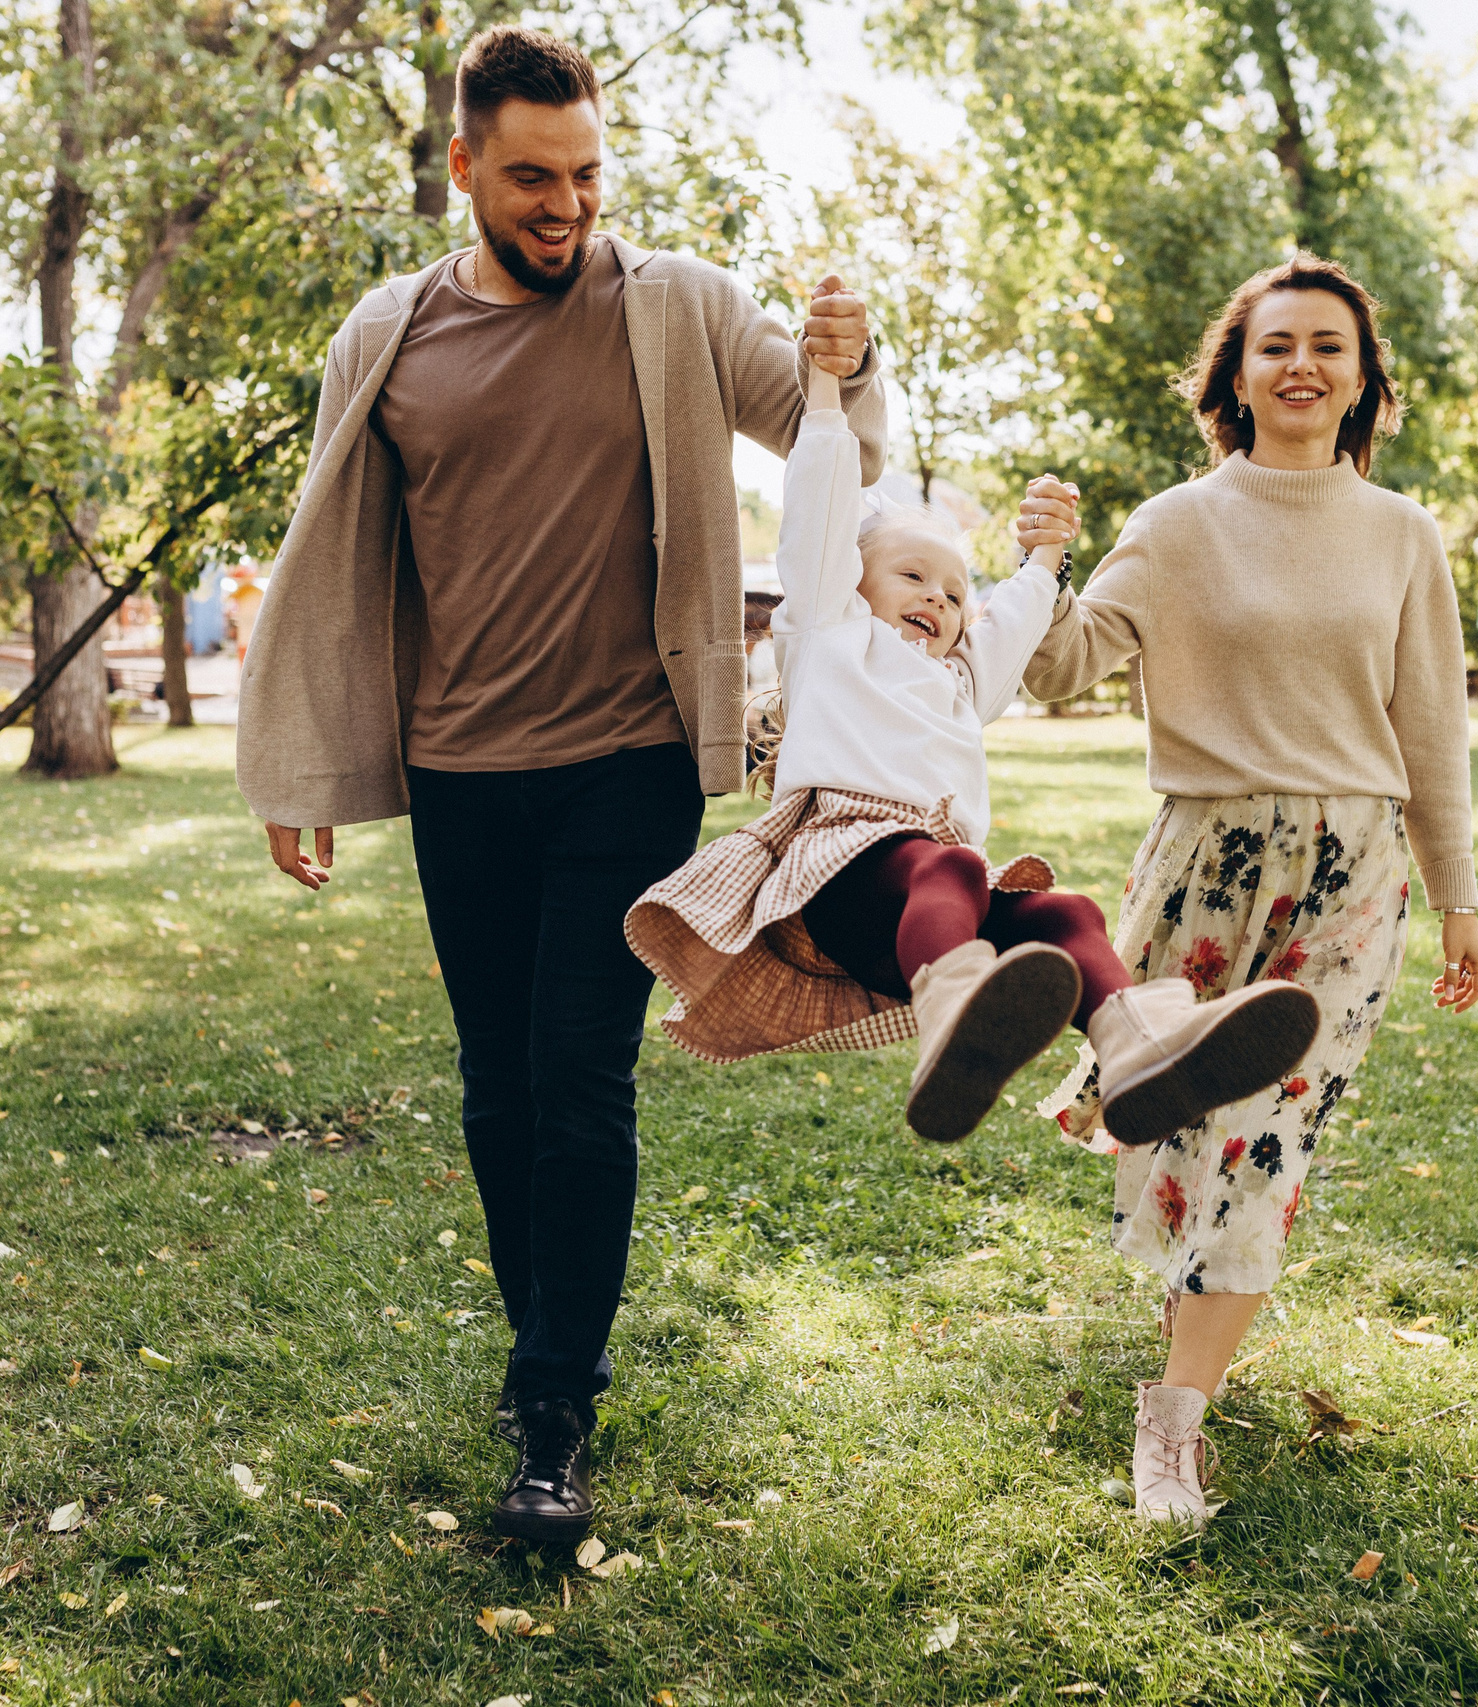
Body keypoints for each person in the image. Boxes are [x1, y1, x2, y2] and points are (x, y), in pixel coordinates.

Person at [236, 25, 884, 1545]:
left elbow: (831, 442)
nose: (566, 204)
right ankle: (555, 1355)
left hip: (630, 762)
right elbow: (332, 561)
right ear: (461, 165)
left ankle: (549, 1418)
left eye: (587, 172)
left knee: (580, 1073)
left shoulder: (676, 307)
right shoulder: (389, 336)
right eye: (531, 176)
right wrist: (301, 756)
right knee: (497, 1081)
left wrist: (855, 358)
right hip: (463, 775)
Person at [1024, 254, 1478, 1525]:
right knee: (1194, 1133)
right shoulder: (1176, 523)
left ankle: (1170, 1423)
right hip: (1206, 869)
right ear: (1235, 372)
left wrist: (1456, 895)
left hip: (1352, 876)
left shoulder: (1401, 537)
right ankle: (1181, 1368)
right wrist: (1035, 569)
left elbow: (1430, 727)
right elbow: (1061, 667)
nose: (1302, 366)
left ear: (1362, 380)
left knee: (1261, 1138)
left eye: (1328, 347)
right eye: (1275, 344)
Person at [627, 363, 1318, 1144]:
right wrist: (823, 394)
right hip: (843, 881)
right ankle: (954, 1017)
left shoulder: (962, 684)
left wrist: (1048, 552)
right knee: (947, 863)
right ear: (850, 582)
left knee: (1064, 910)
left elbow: (1019, 614)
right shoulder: (829, 634)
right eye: (914, 577)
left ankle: (1138, 1043)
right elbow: (817, 509)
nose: (937, 599)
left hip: (926, 908)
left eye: (955, 595)